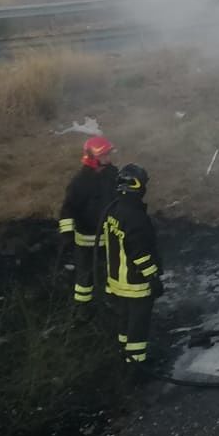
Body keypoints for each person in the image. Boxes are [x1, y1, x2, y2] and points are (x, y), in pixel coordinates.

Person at [103, 164, 163, 364]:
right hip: (135, 283)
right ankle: (136, 364)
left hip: (116, 281)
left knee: (124, 319)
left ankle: (123, 353)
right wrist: (153, 278)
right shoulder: (136, 218)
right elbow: (141, 254)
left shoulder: (113, 211)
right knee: (138, 324)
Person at [59, 136, 117, 306]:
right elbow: (68, 209)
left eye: (109, 154)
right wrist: (67, 234)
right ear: (93, 157)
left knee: (113, 274)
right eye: (104, 155)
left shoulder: (113, 175)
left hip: (110, 237)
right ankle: (82, 311)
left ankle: (111, 305)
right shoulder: (80, 182)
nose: (108, 158)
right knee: (85, 279)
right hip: (86, 240)